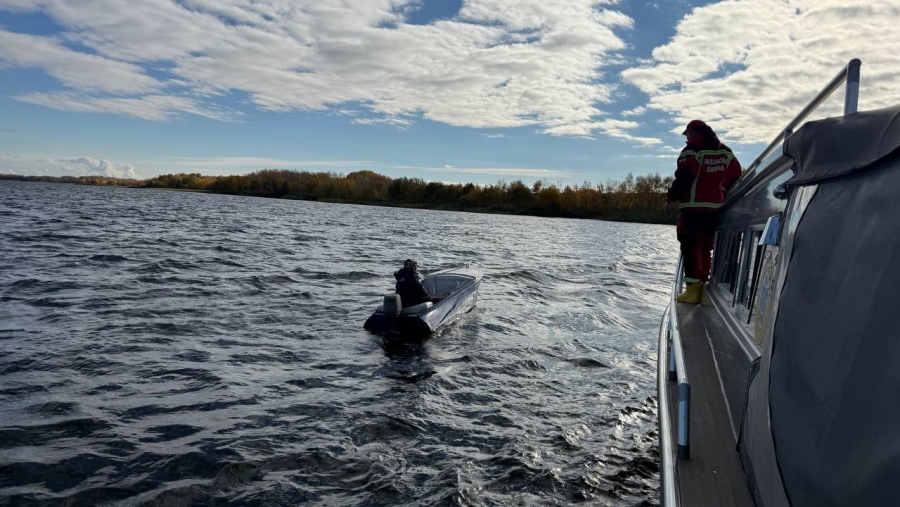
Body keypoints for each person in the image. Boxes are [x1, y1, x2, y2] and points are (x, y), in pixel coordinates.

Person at [666, 120, 742, 304]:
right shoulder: (726, 152)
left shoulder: (692, 151)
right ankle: (704, 288)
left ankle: (692, 291)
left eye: (687, 134)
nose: (687, 138)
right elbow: (735, 174)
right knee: (705, 249)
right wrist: (721, 191)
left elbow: (684, 177)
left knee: (690, 248)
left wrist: (671, 198)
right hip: (714, 210)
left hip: (692, 208)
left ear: (693, 132)